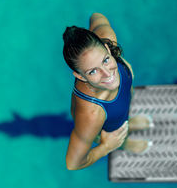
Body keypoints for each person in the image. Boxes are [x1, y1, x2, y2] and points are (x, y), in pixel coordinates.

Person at [63, 13, 153, 170]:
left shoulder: (108, 38)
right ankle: (124, 144)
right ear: (80, 76)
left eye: (105, 60)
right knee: (115, 133)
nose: (108, 73)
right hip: (104, 121)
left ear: (106, 48)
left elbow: (96, 16)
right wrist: (106, 146)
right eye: (92, 71)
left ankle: (127, 122)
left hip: (118, 107)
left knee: (122, 114)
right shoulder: (92, 115)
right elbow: (73, 163)